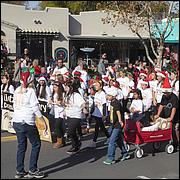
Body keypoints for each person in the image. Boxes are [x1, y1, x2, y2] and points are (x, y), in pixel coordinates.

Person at [12, 72, 48, 179]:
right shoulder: (31, 91)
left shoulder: (16, 90)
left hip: (16, 121)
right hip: (27, 121)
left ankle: (19, 170)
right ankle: (33, 170)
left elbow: (14, 105)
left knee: (21, 145)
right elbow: (35, 108)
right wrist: (44, 122)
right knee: (36, 144)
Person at [103, 87, 130, 165]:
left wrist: (120, 121)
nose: (107, 97)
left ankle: (111, 158)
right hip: (113, 124)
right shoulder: (112, 102)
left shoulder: (116, 103)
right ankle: (125, 154)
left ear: (113, 96)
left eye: (108, 95)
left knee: (112, 141)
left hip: (118, 124)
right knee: (118, 140)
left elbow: (118, 112)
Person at [154, 75, 179, 151]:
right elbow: (161, 105)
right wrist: (158, 114)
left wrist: (171, 117)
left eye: (166, 92)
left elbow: (174, 108)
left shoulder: (174, 97)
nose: (164, 94)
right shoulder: (164, 96)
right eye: (164, 92)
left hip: (176, 116)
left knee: (175, 129)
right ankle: (168, 141)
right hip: (166, 114)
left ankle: (177, 143)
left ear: (169, 92)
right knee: (166, 128)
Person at [64, 78, 87, 154]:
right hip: (69, 115)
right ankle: (75, 145)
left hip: (76, 116)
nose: (65, 88)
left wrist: (84, 109)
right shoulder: (67, 95)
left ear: (71, 88)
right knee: (72, 132)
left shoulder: (76, 95)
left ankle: (77, 143)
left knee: (70, 132)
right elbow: (66, 104)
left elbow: (82, 103)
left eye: (67, 87)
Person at [88, 80, 110, 148]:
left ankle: (95, 141)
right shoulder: (96, 94)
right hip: (96, 113)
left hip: (100, 113)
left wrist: (104, 115)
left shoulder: (102, 94)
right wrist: (91, 112)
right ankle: (108, 138)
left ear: (101, 86)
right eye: (95, 85)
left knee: (99, 127)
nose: (95, 86)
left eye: (97, 85)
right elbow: (94, 104)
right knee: (99, 127)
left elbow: (104, 104)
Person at [48, 81, 66, 148]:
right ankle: (62, 140)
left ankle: (59, 141)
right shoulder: (54, 94)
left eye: (56, 87)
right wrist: (51, 102)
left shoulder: (62, 94)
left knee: (57, 127)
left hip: (61, 112)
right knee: (59, 127)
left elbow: (64, 103)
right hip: (56, 112)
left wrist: (60, 102)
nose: (54, 88)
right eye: (54, 87)